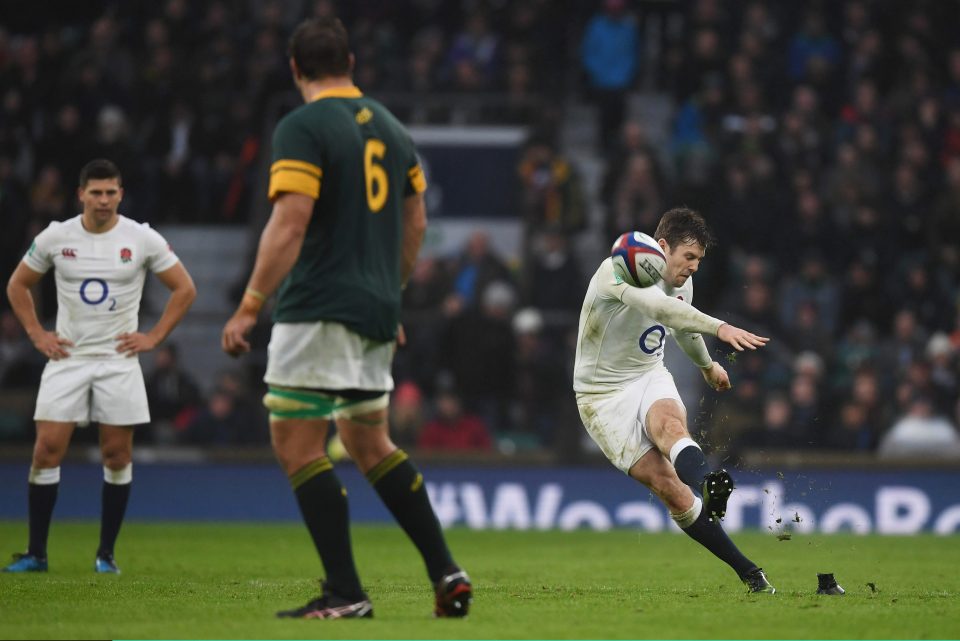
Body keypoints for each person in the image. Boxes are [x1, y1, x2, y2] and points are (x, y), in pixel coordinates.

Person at [221, 17, 471, 620]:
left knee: (296, 440)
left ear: (294, 68)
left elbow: (290, 221)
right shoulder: (391, 127)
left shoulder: (303, 127)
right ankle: (446, 571)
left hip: (318, 305)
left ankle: (344, 592)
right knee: (366, 437)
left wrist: (251, 301)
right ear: (351, 62)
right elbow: (415, 223)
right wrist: (392, 292)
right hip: (375, 309)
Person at [3, 158, 197, 574]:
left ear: (120, 194)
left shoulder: (141, 238)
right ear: (81, 195)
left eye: (111, 192)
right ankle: (37, 553)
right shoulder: (57, 236)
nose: (104, 200)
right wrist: (38, 335)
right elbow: (17, 284)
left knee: (116, 454)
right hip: (68, 357)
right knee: (46, 450)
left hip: (117, 360)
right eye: (96, 192)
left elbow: (184, 288)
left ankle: (105, 555)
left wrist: (154, 337)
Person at [573, 207, 776, 594]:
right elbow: (658, 308)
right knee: (666, 485)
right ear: (662, 247)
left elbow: (680, 323)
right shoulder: (614, 272)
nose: (694, 267)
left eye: (699, 260)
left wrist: (706, 365)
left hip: (648, 373)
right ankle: (745, 568)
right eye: (689, 257)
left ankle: (709, 483)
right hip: (601, 396)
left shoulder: (683, 283)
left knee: (670, 427)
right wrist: (720, 326)